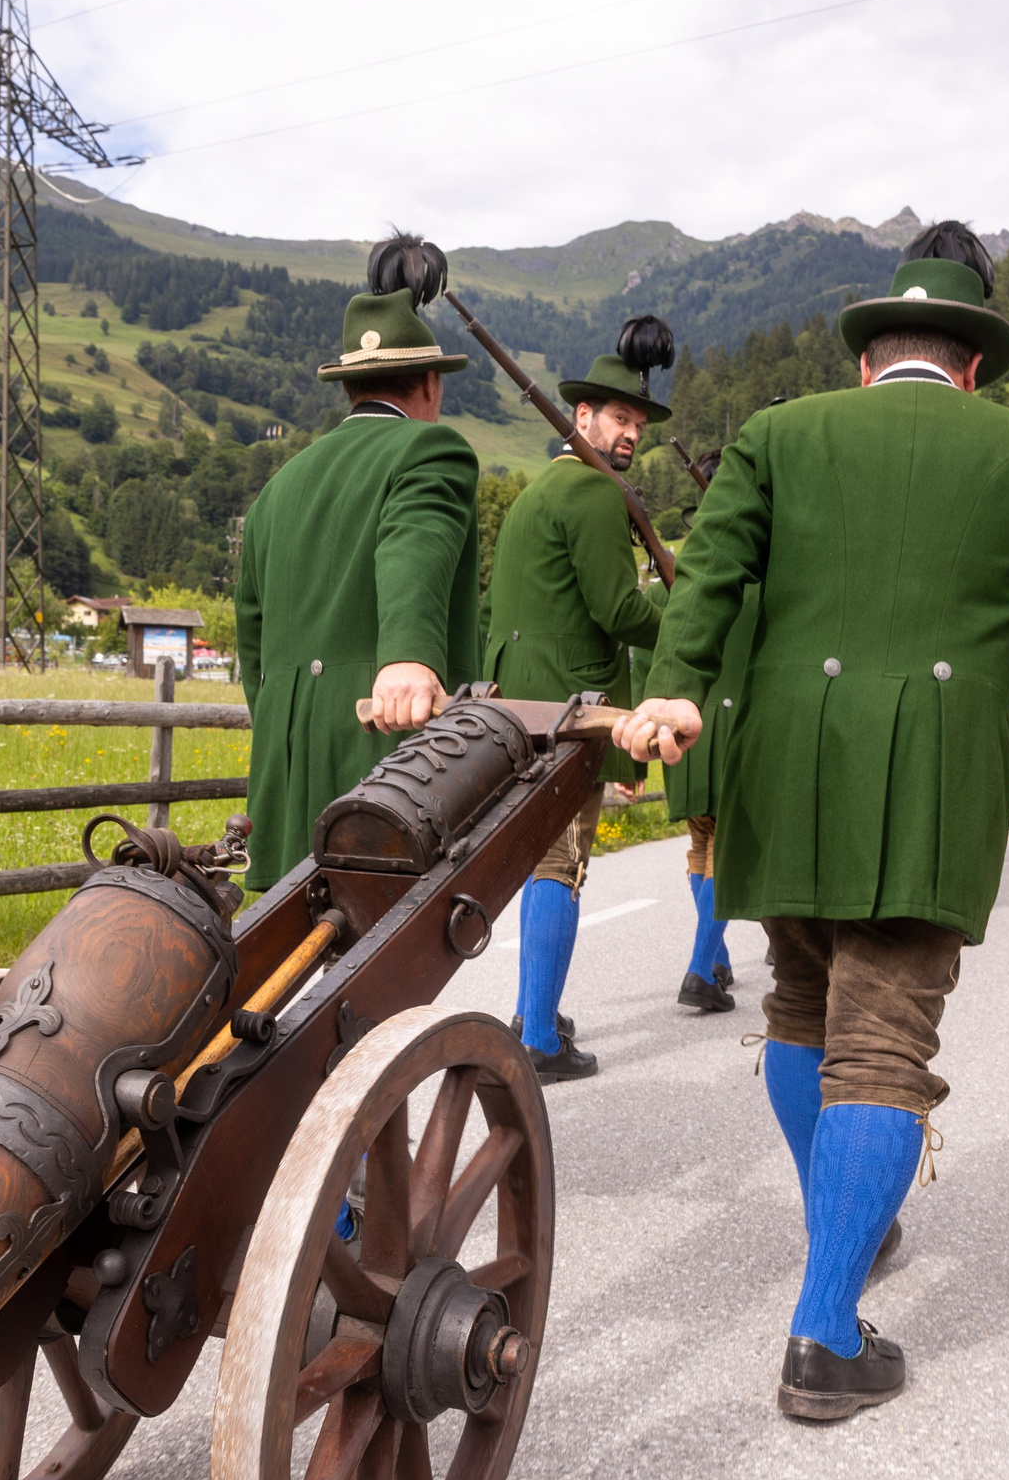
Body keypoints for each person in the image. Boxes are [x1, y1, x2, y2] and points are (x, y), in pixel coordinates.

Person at [614, 221, 1009, 1421]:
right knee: (883, 1037)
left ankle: (842, 1226)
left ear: (865, 358)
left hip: (784, 763)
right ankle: (824, 1333)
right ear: (973, 366)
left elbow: (708, 575)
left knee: (800, 1002)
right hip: (934, 770)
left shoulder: (779, 434)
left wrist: (673, 689)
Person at [234, 236, 481, 892]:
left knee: (295, 941)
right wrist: (410, 657)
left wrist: (285, 729)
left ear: (348, 386)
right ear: (429, 382)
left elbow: (252, 648)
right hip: (390, 768)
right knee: (395, 947)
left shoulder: (276, 489)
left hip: (284, 776)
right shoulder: (430, 450)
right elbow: (412, 549)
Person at [483, 316, 678, 1078]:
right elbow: (619, 610)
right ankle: (537, 1036)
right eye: (618, 418)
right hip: (572, 703)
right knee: (562, 861)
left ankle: (534, 1012)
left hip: (517, 697)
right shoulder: (596, 494)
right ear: (581, 415)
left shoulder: (541, 490)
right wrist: (686, 626)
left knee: (544, 858)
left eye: (638, 425)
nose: (629, 434)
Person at [661, 445, 750, 1020]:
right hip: (733, 725)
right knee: (723, 848)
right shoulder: (755, 567)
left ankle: (715, 958)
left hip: (686, 719)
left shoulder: (687, 570)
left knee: (700, 844)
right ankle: (701, 967)